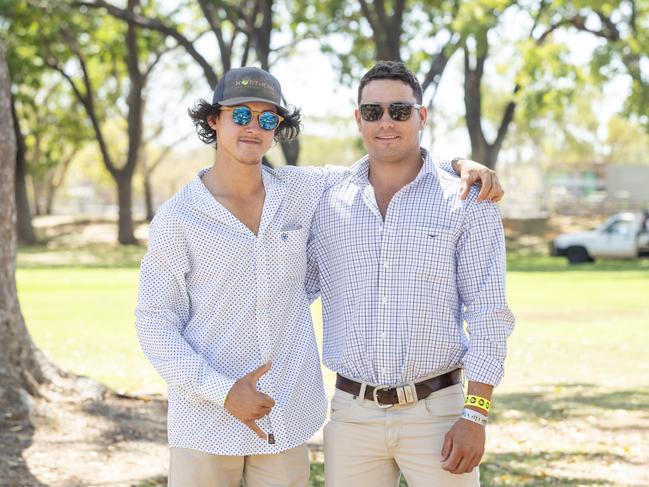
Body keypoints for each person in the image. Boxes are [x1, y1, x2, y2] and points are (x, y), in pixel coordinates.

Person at [135, 66, 503, 487]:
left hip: (286, 422)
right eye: (240, 115)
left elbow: (393, 161)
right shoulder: (178, 218)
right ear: (213, 120)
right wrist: (221, 391)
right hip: (205, 420)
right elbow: (153, 322)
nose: (253, 127)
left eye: (267, 118)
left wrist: (460, 165)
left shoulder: (304, 191)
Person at [306, 61, 516, 487]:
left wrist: (474, 414)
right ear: (358, 118)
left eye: (400, 111)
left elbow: (490, 314)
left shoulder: (466, 201)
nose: (386, 122)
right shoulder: (327, 199)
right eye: (373, 111)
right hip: (352, 416)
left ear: (421, 117)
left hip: (439, 414)